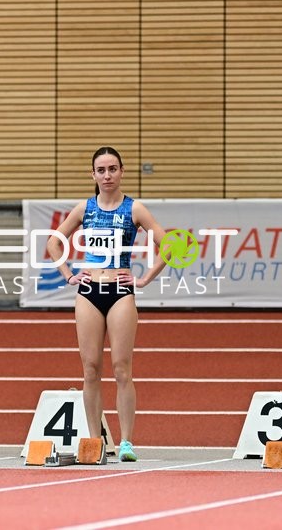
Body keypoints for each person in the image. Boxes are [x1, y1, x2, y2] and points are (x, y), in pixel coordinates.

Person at [46, 146, 169, 462]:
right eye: (101, 170)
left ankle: (126, 442)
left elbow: (169, 245)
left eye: (113, 169)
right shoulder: (84, 208)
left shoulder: (134, 209)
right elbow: (54, 242)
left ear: (122, 171)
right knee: (90, 369)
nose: (107, 175)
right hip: (88, 292)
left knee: (121, 369)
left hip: (120, 292)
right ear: (93, 175)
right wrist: (69, 274)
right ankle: (94, 441)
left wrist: (144, 279)